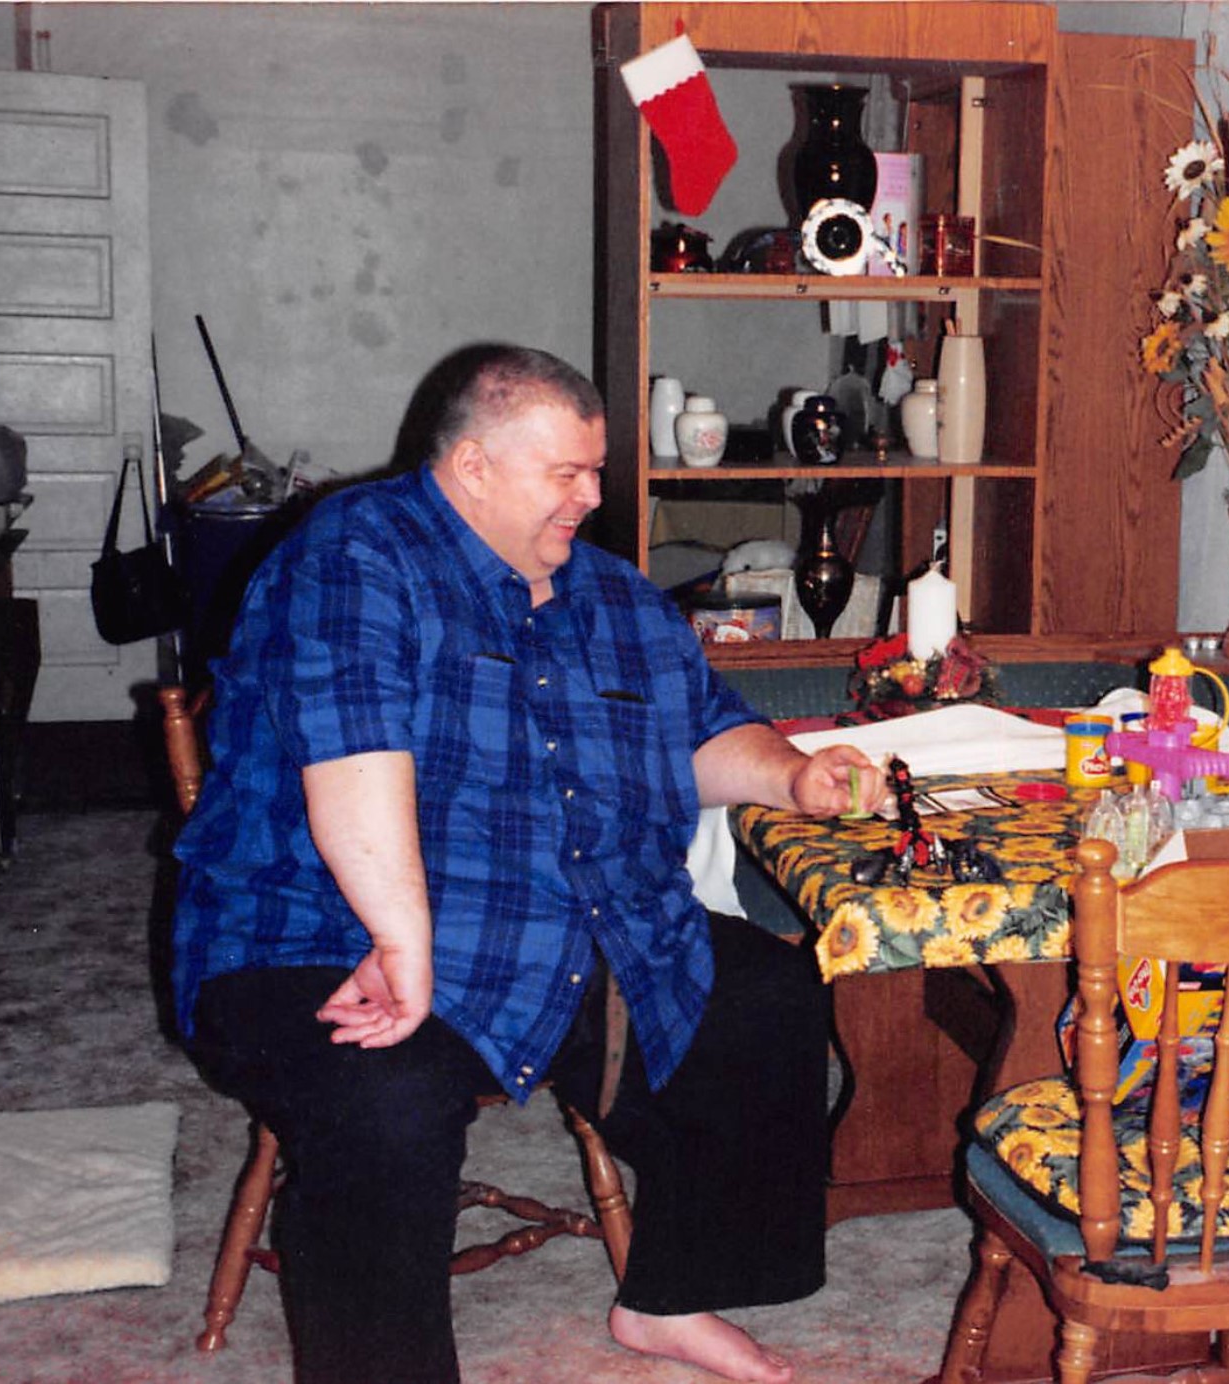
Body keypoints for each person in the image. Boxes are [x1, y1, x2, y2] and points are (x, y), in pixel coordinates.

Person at [171, 343, 882, 1384]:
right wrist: (402, 941)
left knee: (765, 996)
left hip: (555, 921)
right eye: (567, 474)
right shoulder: (354, 555)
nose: (592, 497)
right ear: (472, 466)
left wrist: (792, 775)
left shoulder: (616, 597)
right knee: (389, 1100)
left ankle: (670, 1296)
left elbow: (698, 731)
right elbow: (353, 759)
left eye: (595, 471)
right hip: (317, 928)